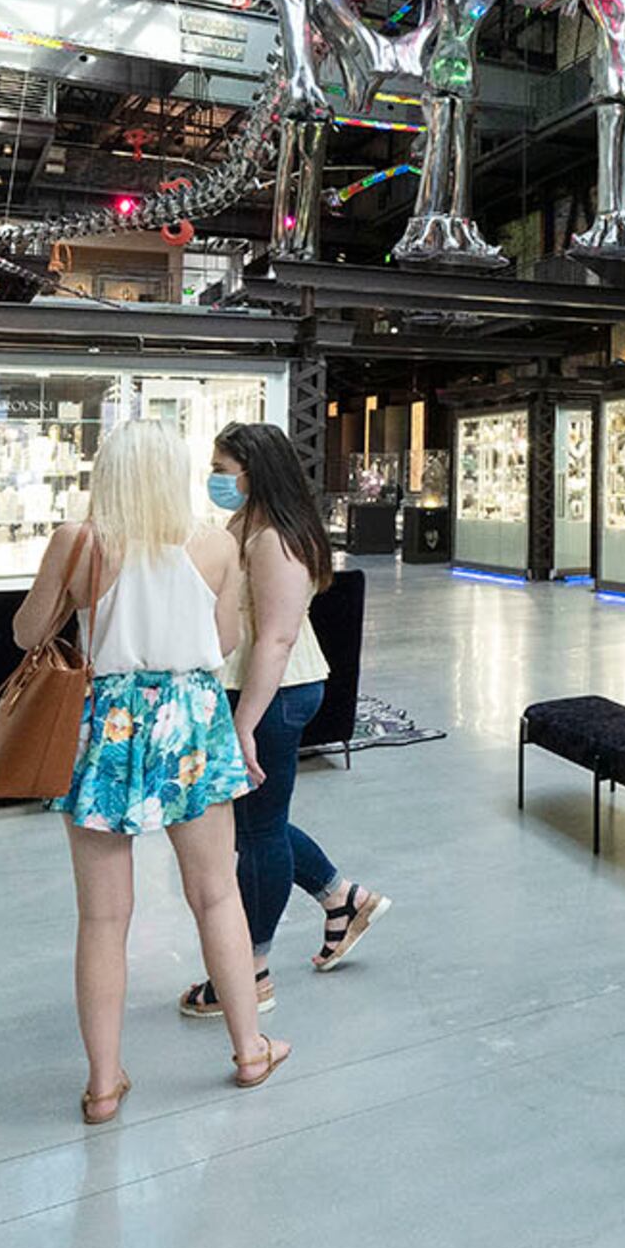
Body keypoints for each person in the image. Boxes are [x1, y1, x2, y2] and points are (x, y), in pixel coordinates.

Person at [16, 417, 287, 1123]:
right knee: (217, 895)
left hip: (106, 724)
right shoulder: (214, 545)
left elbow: (25, 632)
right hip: (192, 720)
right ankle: (250, 1048)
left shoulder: (80, 542)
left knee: (103, 917)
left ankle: (103, 1084)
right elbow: (225, 639)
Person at [178, 422, 389, 1021]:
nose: (215, 480)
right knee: (257, 823)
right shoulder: (243, 526)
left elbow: (275, 638)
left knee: (254, 834)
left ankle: (251, 972)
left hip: (274, 693)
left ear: (254, 472)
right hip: (252, 691)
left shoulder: (277, 539)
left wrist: (243, 725)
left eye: (223, 469)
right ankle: (342, 898)